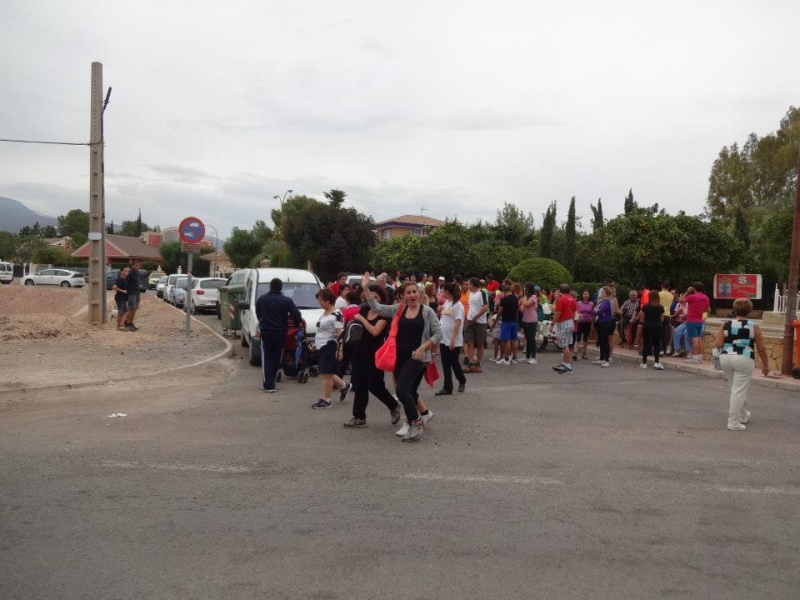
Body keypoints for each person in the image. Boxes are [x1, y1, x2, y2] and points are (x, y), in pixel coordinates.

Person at [364, 273, 442, 442]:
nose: (412, 295)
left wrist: (423, 347)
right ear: (404, 296)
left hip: (417, 357)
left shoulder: (427, 312)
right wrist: (365, 287)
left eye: (414, 292)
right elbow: (376, 306)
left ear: (419, 294)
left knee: (401, 390)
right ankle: (412, 423)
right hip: (399, 356)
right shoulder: (399, 309)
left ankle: (416, 421)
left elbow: (438, 334)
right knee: (409, 391)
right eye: (408, 293)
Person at [345, 285, 402, 427]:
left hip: (375, 353)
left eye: (376, 297)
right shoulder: (364, 310)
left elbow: (375, 331)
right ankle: (359, 417)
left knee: (375, 385)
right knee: (360, 385)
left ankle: (393, 405)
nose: (374, 299)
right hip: (359, 351)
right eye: (371, 296)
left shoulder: (384, 314)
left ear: (381, 299)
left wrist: (362, 319)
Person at [714, 298, 770, 431]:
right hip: (744, 358)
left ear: (734, 309)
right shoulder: (753, 326)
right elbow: (761, 348)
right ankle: (733, 422)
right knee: (738, 390)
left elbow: (718, 344)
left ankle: (743, 415)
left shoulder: (725, 324)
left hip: (726, 358)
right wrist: (765, 365)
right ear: (749, 311)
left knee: (735, 388)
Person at [255, 277, 304, 393]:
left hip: (267, 332)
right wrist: (296, 323)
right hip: (281, 332)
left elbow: (258, 313)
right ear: (281, 288)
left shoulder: (262, 299)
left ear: (270, 286)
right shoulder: (287, 300)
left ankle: (268, 385)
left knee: (267, 357)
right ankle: (272, 380)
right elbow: (296, 314)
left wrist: (263, 321)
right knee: (277, 356)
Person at [311, 289, 352, 409]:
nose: (319, 303)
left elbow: (340, 333)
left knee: (326, 374)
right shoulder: (325, 312)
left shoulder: (337, 314)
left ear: (328, 300)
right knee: (325, 372)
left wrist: (340, 350)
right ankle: (344, 386)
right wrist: (315, 343)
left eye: (321, 301)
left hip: (330, 346)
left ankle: (326, 400)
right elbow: (322, 330)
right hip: (321, 345)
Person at [435, 283, 467, 396]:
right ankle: (447, 388)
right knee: (445, 364)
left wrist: (452, 340)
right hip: (444, 338)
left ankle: (462, 380)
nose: (442, 293)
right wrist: (439, 310)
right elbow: (443, 317)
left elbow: (458, 323)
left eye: (443, 291)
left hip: (453, 340)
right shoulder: (447, 302)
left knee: (453, 362)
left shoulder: (458, 305)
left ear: (448, 292)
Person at [463, 277, 488, 373]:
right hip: (470, 321)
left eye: (469, 284)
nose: (468, 285)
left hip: (480, 322)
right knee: (470, 343)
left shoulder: (481, 293)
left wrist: (476, 316)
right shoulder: (470, 293)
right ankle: (471, 363)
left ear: (473, 284)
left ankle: (478, 363)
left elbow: (485, 307)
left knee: (480, 344)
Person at [551, 284, 577, 374]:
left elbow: (558, 313)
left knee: (564, 345)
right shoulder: (573, 299)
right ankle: (565, 363)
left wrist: (552, 324)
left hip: (563, 323)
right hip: (570, 322)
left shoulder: (561, 299)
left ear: (560, 291)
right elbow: (574, 313)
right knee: (566, 344)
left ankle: (567, 366)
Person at [684, 282, 710, 364]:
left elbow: (681, 300)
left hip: (691, 320)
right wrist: (704, 317)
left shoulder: (692, 296)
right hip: (700, 321)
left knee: (694, 339)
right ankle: (699, 357)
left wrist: (687, 292)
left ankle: (694, 357)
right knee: (698, 338)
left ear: (694, 288)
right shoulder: (706, 297)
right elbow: (708, 309)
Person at [639, 289, 665, 370]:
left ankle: (644, 363)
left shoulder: (645, 306)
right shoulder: (660, 307)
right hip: (657, 326)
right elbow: (662, 319)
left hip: (647, 326)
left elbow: (642, 319)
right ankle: (656, 362)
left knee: (646, 344)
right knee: (657, 344)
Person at [496, 283, 520, 365]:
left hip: (506, 321)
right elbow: (517, 309)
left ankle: (506, 359)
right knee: (514, 340)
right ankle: (514, 358)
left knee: (506, 341)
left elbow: (499, 311)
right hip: (514, 321)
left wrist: (496, 319)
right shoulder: (516, 298)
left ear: (503, 291)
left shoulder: (504, 299)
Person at [594, 287, 615, 367]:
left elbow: (599, 311)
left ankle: (606, 360)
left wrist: (597, 310)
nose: (601, 293)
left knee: (605, 341)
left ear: (607, 293)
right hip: (600, 322)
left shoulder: (607, 301)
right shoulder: (602, 301)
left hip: (605, 323)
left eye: (603, 292)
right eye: (601, 292)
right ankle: (601, 358)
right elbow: (595, 310)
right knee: (601, 341)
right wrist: (597, 310)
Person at [520, 282, 538, 364]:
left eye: (525, 288)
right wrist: (522, 305)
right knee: (527, 338)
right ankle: (527, 356)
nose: (524, 289)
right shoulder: (526, 297)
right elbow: (522, 307)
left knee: (531, 339)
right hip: (525, 319)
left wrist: (524, 296)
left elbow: (525, 304)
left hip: (532, 320)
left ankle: (533, 357)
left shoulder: (533, 297)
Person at [575, 289, 594, 360]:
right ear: (582, 295)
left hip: (588, 322)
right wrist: (577, 319)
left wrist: (592, 324)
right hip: (580, 322)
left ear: (589, 295)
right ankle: (575, 354)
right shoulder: (578, 303)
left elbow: (593, 314)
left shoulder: (592, 304)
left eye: (587, 294)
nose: (586, 295)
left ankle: (584, 353)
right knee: (578, 337)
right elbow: (576, 312)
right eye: (584, 294)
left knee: (585, 339)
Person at [124, 260, 142, 331]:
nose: (138, 266)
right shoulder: (130, 273)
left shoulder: (138, 273)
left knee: (134, 309)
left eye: (139, 265)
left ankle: (131, 323)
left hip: (137, 293)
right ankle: (128, 323)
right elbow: (125, 282)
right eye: (136, 265)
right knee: (131, 309)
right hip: (131, 294)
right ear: (132, 265)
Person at [112, 266, 130, 331]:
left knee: (126, 312)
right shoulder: (119, 279)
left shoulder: (125, 279)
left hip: (124, 298)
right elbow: (114, 287)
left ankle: (121, 325)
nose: (127, 272)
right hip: (120, 298)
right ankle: (119, 326)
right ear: (121, 272)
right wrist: (123, 291)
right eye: (125, 271)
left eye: (128, 271)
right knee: (121, 312)